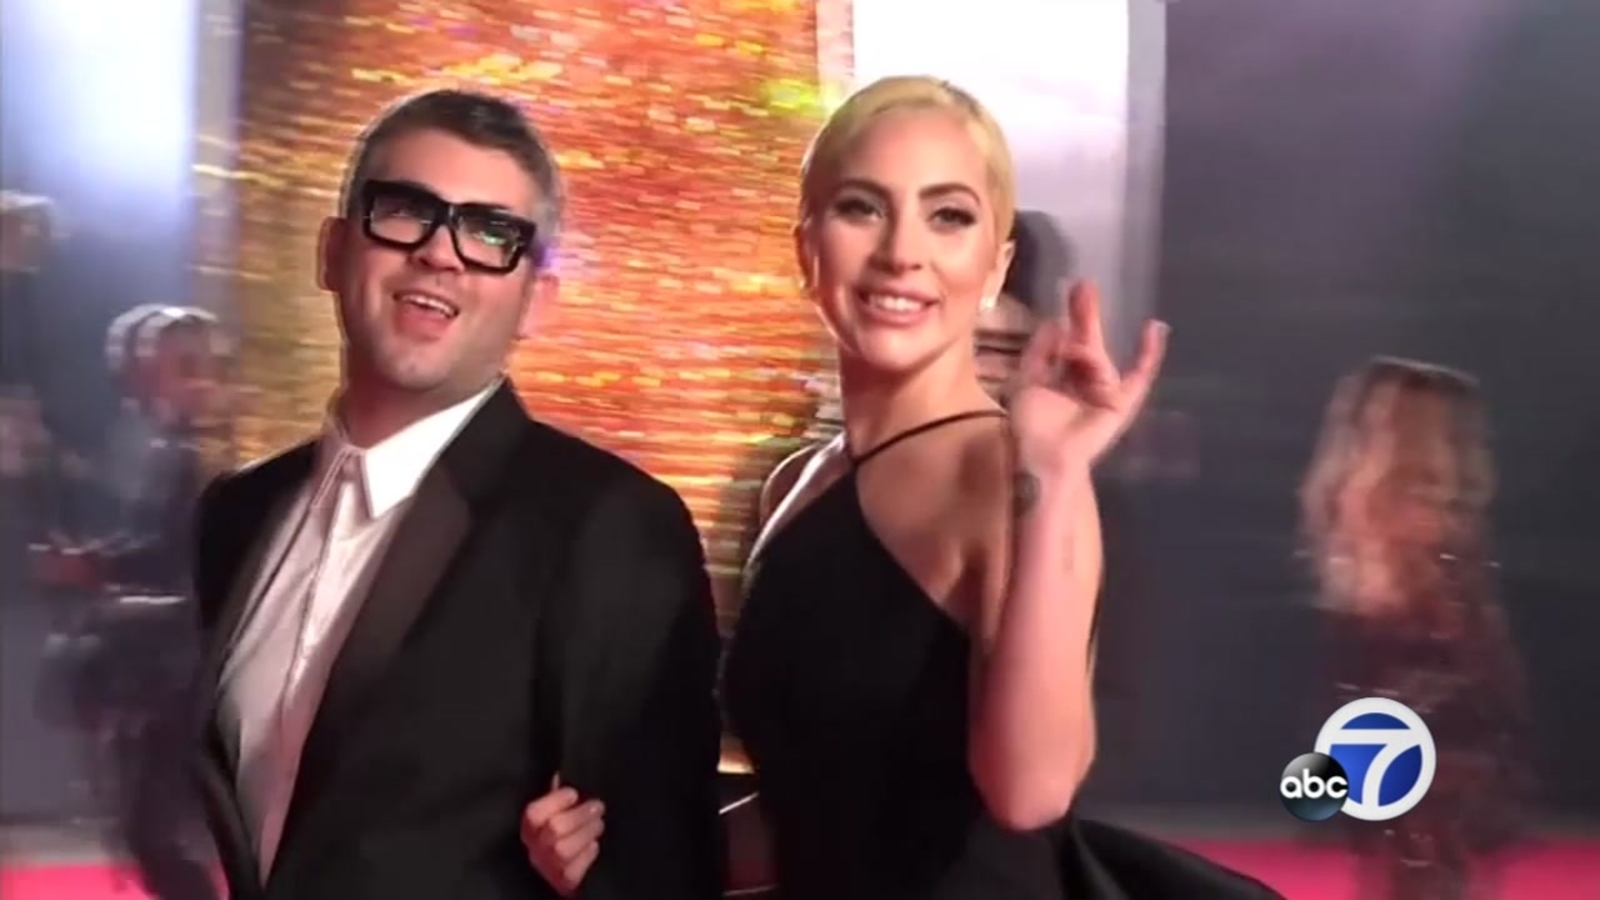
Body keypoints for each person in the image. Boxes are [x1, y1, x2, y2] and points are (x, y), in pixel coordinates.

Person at [526, 76, 1281, 899]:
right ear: (807, 249)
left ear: (993, 268)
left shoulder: (1007, 474)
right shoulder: (795, 483)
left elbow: (1030, 793)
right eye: (863, 208)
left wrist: (1053, 473)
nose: (902, 253)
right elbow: (817, 814)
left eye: (947, 216)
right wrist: (619, 855)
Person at [191, 89, 723, 899]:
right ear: (332, 251)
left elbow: (662, 866)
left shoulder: (609, 528)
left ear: (535, 299)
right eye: (407, 212)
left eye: (491, 234)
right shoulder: (236, 515)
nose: (441, 253)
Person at [1299, 357, 1532, 900]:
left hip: (1417, 709)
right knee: (1421, 857)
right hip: (1417, 708)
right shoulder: (1394, 518)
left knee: (1421, 857)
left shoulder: (1367, 509)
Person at [33, 306, 228, 900]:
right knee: (151, 830)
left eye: (153, 363)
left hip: (194, 660)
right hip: (176, 656)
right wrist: (96, 562)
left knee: (156, 831)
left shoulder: (202, 451)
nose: (137, 375)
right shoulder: (170, 446)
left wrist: (95, 568)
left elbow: (180, 553)